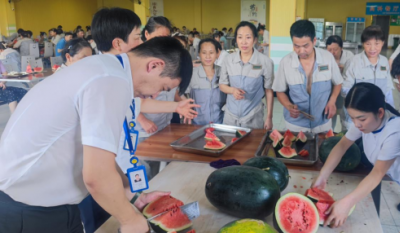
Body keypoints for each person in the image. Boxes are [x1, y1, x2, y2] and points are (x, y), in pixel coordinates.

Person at [0, 34, 193, 233]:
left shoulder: (105, 68)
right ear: (154, 66)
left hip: (48, 207)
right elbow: (97, 177)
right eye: (163, 87)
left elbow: (102, 162)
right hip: (27, 212)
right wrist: (130, 221)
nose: (155, 95)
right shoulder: (111, 80)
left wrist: (135, 198)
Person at [312, 83, 400, 228]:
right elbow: (342, 146)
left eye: (361, 119)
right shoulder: (364, 122)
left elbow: (377, 173)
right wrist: (323, 175)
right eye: (353, 119)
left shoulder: (394, 131)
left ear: (380, 113)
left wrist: (347, 202)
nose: (357, 124)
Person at [273, 20, 343, 133]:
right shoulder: (286, 62)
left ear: (314, 40)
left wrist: (332, 101)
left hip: (322, 121)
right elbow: (279, 91)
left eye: (306, 46)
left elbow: (338, 82)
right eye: (296, 46)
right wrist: (288, 106)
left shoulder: (327, 58)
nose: (301, 51)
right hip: (295, 124)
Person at [219, 21, 274, 130]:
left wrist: (269, 117)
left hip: (253, 116)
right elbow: (222, 85)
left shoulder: (265, 62)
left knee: (252, 146)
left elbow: (269, 91)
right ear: (236, 40)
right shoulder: (228, 60)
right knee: (230, 144)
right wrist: (232, 90)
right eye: (240, 37)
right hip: (230, 116)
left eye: (248, 37)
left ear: (255, 40)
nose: (244, 42)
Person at [342, 26, 395, 130]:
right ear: (363, 44)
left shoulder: (384, 62)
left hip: (378, 118)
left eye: (377, 44)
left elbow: (388, 90)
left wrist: (391, 113)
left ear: (383, 43)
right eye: (368, 44)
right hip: (357, 119)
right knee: (355, 145)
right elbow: (345, 90)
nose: (372, 48)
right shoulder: (353, 62)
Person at [137, 16, 179, 141]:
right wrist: (142, 119)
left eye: (166, 39)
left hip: (165, 124)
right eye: (158, 38)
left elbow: (172, 89)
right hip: (144, 129)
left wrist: (182, 102)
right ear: (146, 34)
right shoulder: (137, 60)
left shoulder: (170, 58)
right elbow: (124, 97)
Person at [184, 38, 226, 125]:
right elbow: (178, 93)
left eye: (211, 52)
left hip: (220, 123)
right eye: (204, 53)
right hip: (197, 123)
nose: (208, 56)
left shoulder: (224, 73)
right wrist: (185, 107)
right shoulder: (192, 74)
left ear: (217, 54)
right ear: (199, 54)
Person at [326, 35, 354, 132]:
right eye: (329, 49)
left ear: (341, 48)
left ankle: (344, 134)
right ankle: (330, 132)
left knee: (344, 114)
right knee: (330, 113)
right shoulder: (324, 56)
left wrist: (343, 69)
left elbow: (352, 73)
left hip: (344, 89)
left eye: (335, 50)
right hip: (330, 89)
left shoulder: (349, 56)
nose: (332, 52)